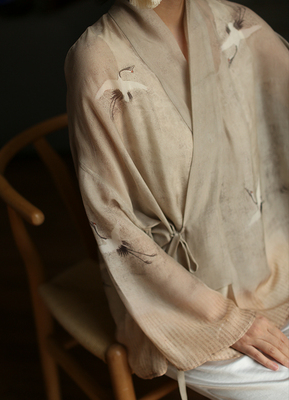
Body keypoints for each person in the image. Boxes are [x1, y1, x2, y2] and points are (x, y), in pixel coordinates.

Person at [65, 0, 289, 398]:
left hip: (272, 269)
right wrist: (226, 322)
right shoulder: (96, 57)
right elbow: (110, 218)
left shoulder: (236, 23)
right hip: (178, 303)